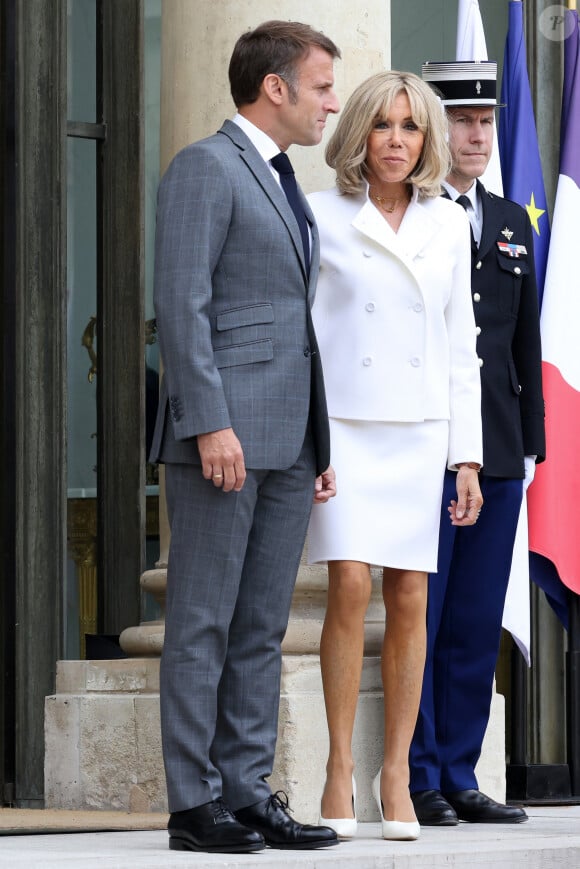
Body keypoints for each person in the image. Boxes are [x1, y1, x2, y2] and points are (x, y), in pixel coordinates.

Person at [149, 20, 342, 854]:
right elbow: (181, 307)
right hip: (223, 435)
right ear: (276, 87)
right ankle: (193, 804)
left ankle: (245, 790)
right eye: (324, 85)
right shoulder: (204, 166)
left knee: (261, 626)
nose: (333, 101)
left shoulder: (282, 177)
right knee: (202, 621)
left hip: (289, 440)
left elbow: (292, 319)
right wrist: (210, 421)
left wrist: (317, 445)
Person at [306, 69, 484, 842]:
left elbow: (462, 350)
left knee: (410, 593)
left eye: (411, 128)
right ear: (360, 134)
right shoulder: (319, 216)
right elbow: (304, 338)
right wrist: (306, 438)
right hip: (342, 421)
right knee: (348, 583)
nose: (396, 142)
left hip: (417, 427)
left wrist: (467, 456)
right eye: (383, 125)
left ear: (427, 140)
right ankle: (339, 765)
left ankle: (396, 771)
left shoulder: (450, 223)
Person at [408, 60, 546, 826]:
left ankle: (460, 770)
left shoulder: (509, 220)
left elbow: (522, 343)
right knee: (422, 617)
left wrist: (533, 447)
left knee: (472, 619)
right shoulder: (414, 214)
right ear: (435, 128)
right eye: (462, 120)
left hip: (494, 450)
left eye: (486, 121)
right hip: (425, 445)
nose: (476, 134)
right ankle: (421, 772)